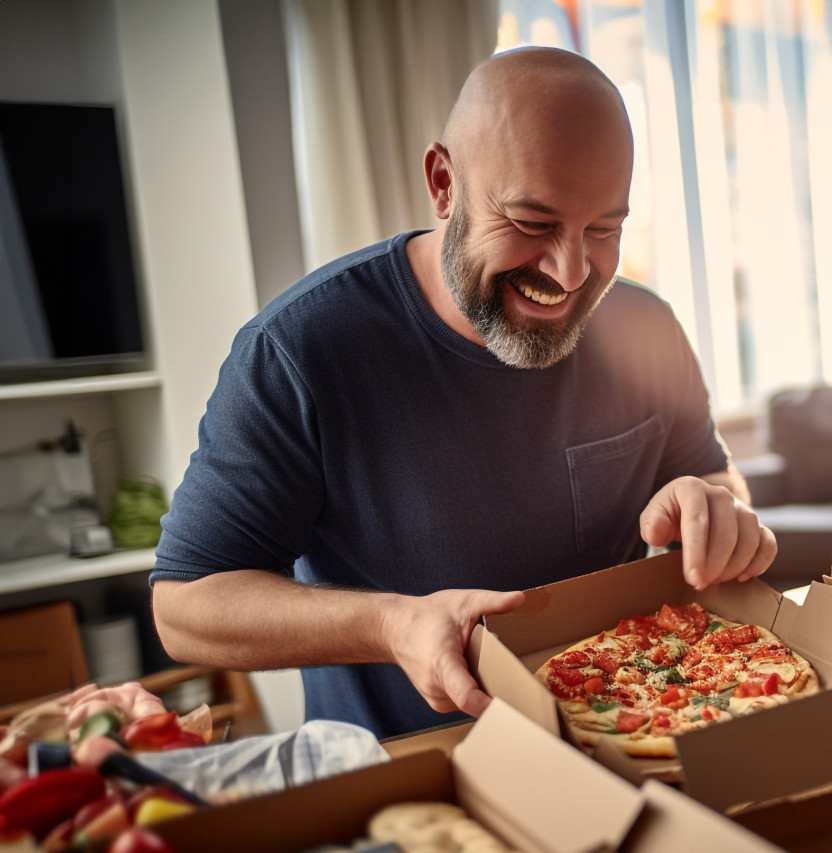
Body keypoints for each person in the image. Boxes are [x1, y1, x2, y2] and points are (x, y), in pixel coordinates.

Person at [149, 46, 777, 739]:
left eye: (604, 229)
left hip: (636, 740)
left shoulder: (646, 327)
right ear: (444, 183)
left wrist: (718, 507)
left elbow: (714, 473)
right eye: (532, 223)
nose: (570, 273)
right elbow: (184, 605)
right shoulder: (298, 350)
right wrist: (391, 623)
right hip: (416, 778)